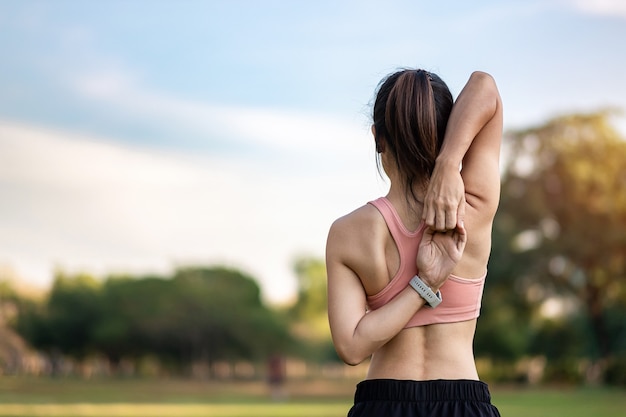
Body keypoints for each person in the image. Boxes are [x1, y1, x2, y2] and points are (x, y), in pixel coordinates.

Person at [326, 69, 502, 417]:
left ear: (378, 137)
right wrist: (450, 163)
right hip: (464, 405)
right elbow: (485, 86)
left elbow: (351, 347)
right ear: (448, 131)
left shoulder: (348, 232)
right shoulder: (474, 206)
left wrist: (417, 289)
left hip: (380, 405)